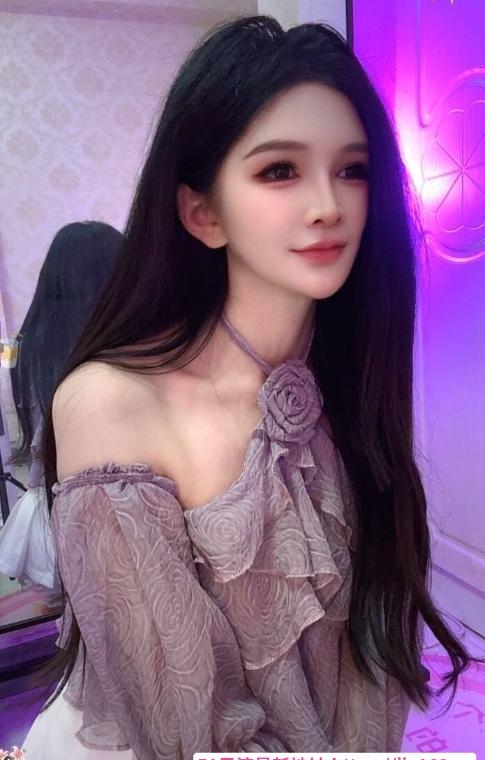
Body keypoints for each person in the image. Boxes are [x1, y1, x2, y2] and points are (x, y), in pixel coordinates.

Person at [23, 15, 475, 758]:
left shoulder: (351, 385)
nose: (329, 204)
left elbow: (371, 659)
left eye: (352, 169)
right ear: (202, 214)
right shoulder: (114, 405)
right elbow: (187, 732)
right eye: (279, 171)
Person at [0, 221, 123, 591]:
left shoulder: (25, 346)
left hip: (59, 504)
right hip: (119, 505)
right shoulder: (117, 346)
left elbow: (25, 432)